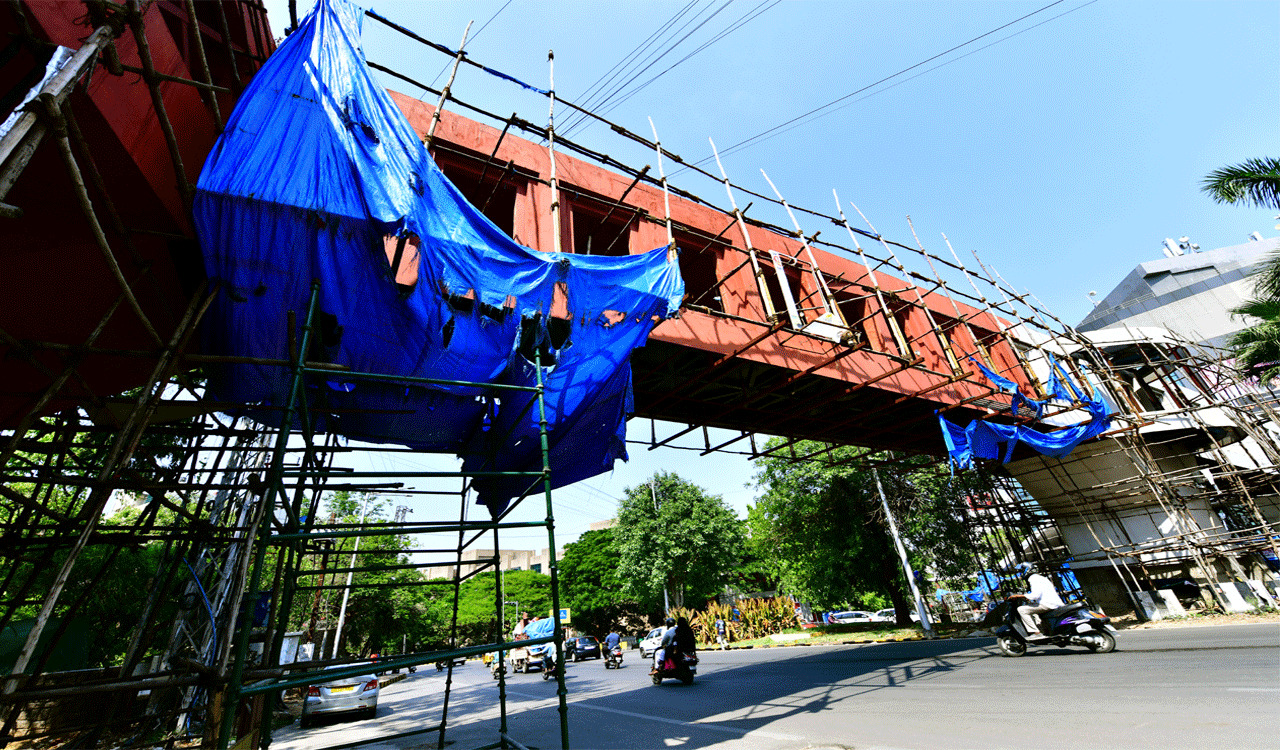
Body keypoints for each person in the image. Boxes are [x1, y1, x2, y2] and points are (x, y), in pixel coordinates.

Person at [1013, 562, 1063, 640]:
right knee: (1035, 611)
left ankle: (1036, 632)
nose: (1020, 573)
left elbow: (1035, 595)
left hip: (1047, 604)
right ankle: (1043, 629)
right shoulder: (1041, 578)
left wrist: (1019, 596)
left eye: (1021, 571)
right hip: (1054, 603)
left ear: (1027, 570)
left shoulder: (1033, 579)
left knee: (1021, 609)